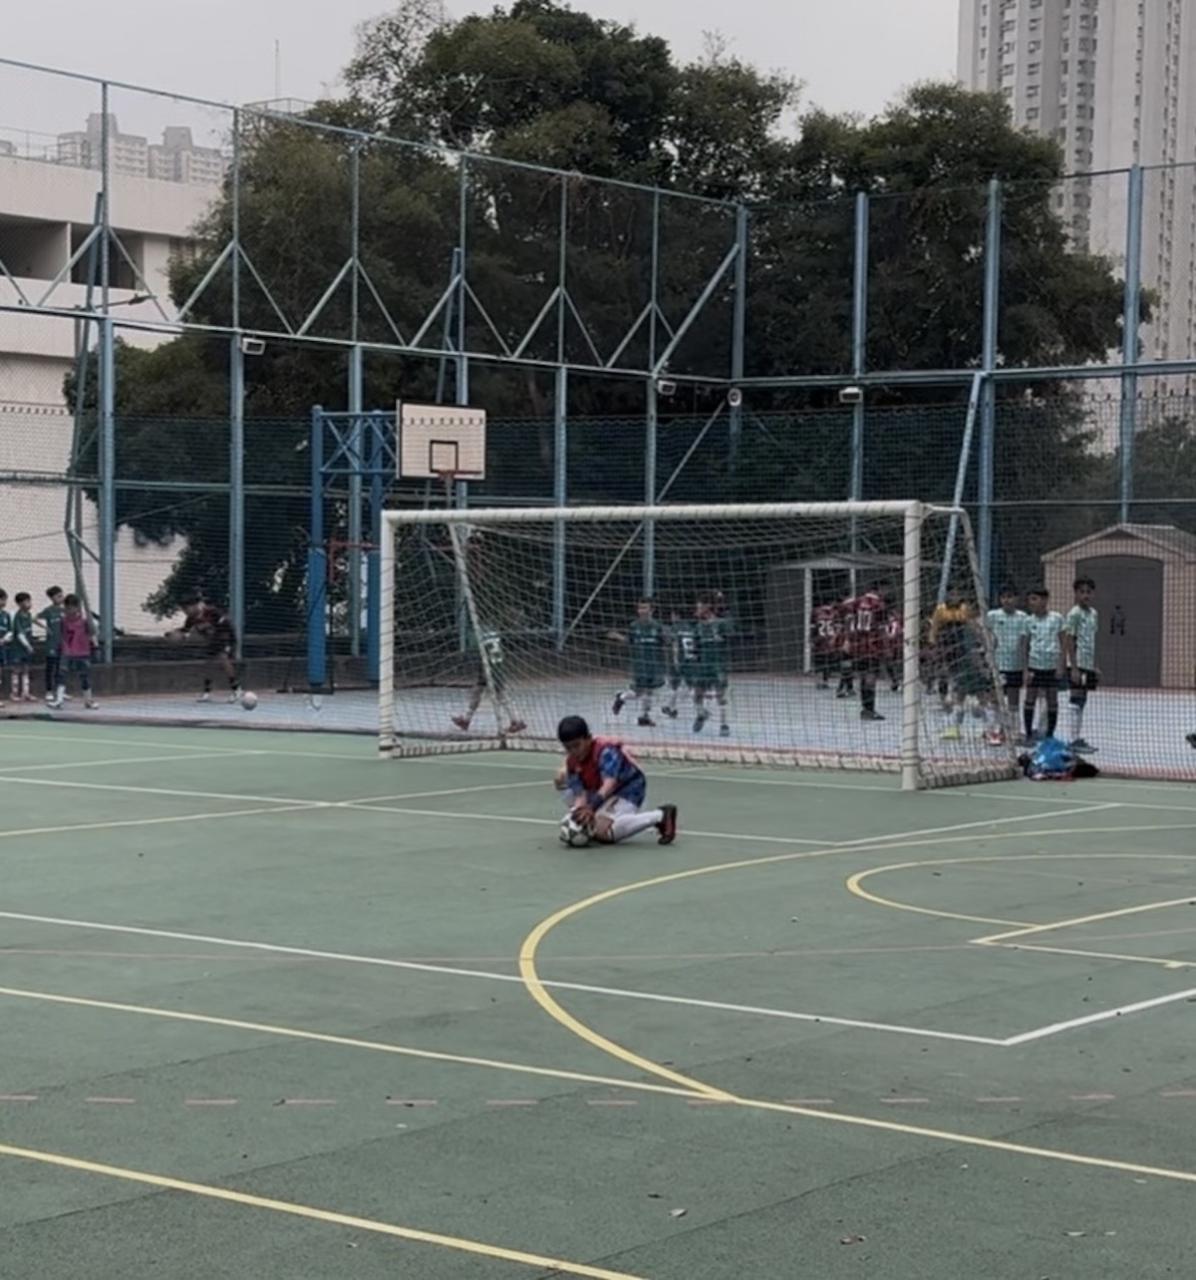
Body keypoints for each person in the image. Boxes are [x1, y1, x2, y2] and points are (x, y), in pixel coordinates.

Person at [553, 714, 677, 845]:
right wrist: (577, 815)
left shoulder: (605, 752)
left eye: (577, 745)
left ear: (588, 739)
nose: (573, 751)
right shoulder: (572, 761)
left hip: (628, 789)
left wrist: (591, 807)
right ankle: (597, 820)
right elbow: (580, 795)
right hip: (602, 792)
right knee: (565, 787)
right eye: (568, 748)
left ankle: (661, 816)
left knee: (602, 831)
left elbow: (609, 784)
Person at [452, 625, 526, 735]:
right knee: (477, 693)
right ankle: (466, 720)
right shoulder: (494, 638)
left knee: (501, 696)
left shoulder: (484, 641)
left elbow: (480, 654)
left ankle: (516, 721)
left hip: (490, 671)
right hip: (492, 669)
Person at [609, 598, 668, 727]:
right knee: (642, 691)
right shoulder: (634, 626)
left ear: (652, 610)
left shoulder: (657, 626)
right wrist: (618, 636)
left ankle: (641, 714)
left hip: (654, 664)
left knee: (647, 692)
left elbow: (664, 643)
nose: (642, 611)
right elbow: (629, 641)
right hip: (640, 665)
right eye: (640, 608)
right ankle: (625, 700)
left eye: (645, 608)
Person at [172, 596, 242, 703]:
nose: (185, 612)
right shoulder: (191, 619)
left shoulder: (212, 612)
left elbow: (226, 624)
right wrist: (175, 633)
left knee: (223, 658)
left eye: (186, 608)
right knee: (208, 664)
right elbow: (185, 630)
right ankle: (207, 693)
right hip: (213, 640)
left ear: (195, 606)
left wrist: (226, 643)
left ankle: (237, 690)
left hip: (226, 637)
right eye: (183, 609)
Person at [985, 585, 1029, 743]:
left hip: (1015, 666)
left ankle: (1013, 731)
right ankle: (993, 731)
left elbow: (1024, 643)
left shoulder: (1023, 617)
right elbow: (986, 635)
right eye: (1004, 597)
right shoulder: (992, 615)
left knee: (1013, 700)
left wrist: (1025, 667)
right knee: (994, 698)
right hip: (997, 665)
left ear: (1016, 598)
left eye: (1010, 596)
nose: (1007, 600)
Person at [1023, 587, 1065, 744]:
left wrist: (1061, 665)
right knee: (1030, 698)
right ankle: (1028, 734)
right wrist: (1025, 670)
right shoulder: (1028, 621)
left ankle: (1049, 735)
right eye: (1030, 599)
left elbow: (1063, 643)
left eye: (1035, 599)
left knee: (1052, 700)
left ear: (1045, 600)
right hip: (1034, 665)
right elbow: (1025, 646)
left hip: (1052, 666)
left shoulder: (1057, 618)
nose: (1031, 603)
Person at [1063, 575, 1099, 754]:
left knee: (1083, 699)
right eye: (1082, 592)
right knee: (1075, 698)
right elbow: (1069, 640)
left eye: (1088, 592)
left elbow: (1091, 641)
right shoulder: (1074, 614)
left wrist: (1094, 665)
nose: (1085, 595)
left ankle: (1077, 737)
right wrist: (1074, 667)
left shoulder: (1093, 614)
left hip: (1088, 664)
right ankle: (1072, 740)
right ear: (1076, 593)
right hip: (1077, 664)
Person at [844, 585, 887, 722]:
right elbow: (881, 628)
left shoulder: (856, 602)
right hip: (872, 645)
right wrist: (884, 647)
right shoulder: (879, 605)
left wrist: (848, 639)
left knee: (863, 676)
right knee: (870, 677)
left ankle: (865, 708)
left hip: (858, 645)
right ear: (879, 590)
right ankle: (869, 709)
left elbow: (849, 619)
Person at [692, 592, 732, 735]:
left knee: (721, 695)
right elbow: (696, 648)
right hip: (704, 665)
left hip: (718, 665)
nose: (697, 610)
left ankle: (724, 725)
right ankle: (702, 714)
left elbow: (730, 637)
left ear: (707, 607)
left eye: (699, 607)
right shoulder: (698, 627)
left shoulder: (721, 624)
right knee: (697, 694)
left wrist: (722, 603)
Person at [929, 585, 972, 714]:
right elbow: (934, 627)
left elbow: (966, 620)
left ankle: (956, 699)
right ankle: (943, 700)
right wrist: (933, 643)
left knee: (959, 673)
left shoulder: (964, 608)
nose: (954, 597)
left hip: (960, 644)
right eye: (952, 594)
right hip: (944, 644)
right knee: (943, 673)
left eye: (957, 594)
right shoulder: (940, 609)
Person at [55, 594, 97, 710]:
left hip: (82, 652)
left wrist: (94, 643)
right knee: (62, 674)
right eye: (67, 608)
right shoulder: (63, 621)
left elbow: (93, 632)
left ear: (77, 607)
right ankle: (59, 700)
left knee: (85, 676)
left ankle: (88, 701)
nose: (68, 611)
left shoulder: (84, 621)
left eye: (71, 608)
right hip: (67, 651)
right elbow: (62, 635)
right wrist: (63, 648)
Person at [661, 606, 697, 720]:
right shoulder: (691, 628)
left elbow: (675, 644)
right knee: (687, 686)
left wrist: (675, 660)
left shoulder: (674, 628)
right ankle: (671, 708)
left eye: (672, 615)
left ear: (676, 616)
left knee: (676, 686)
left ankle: (700, 710)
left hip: (679, 660)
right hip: (691, 659)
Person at [38, 585, 65, 705]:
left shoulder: (64, 610)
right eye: (58, 596)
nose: (61, 598)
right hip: (51, 644)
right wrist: (45, 628)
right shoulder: (48, 610)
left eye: (61, 595)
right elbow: (35, 618)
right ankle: (48, 691)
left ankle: (60, 690)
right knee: (50, 668)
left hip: (62, 643)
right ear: (52, 598)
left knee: (61, 668)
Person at [8, 593, 35, 702]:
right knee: (16, 669)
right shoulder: (18, 617)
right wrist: (27, 645)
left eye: (29, 601)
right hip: (18, 648)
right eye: (26, 601)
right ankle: (14, 693)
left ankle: (26, 692)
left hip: (27, 648)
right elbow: (19, 634)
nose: (29, 604)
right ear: (19, 604)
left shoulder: (28, 615)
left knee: (26, 669)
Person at [811, 600, 838, 689]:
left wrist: (812, 640)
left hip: (819, 640)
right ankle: (825, 681)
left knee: (819, 662)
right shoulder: (834, 613)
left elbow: (813, 628)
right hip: (829, 640)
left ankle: (819, 681)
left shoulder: (816, 612)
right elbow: (836, 628)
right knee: (827, 663)